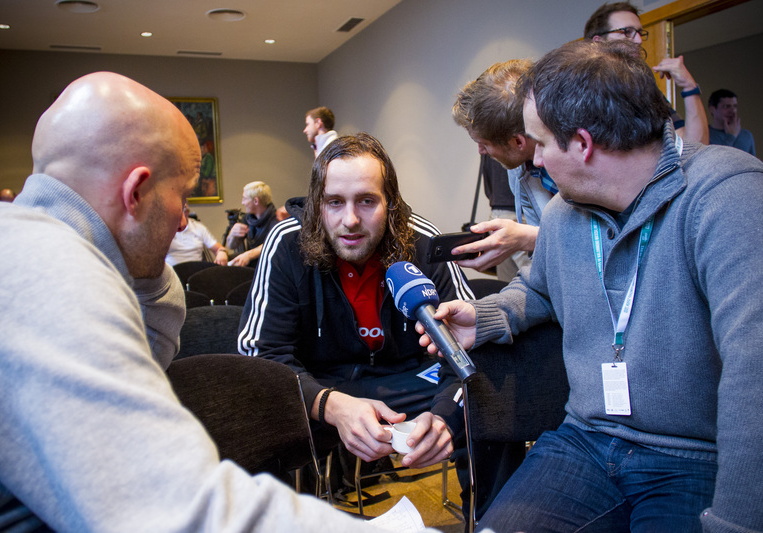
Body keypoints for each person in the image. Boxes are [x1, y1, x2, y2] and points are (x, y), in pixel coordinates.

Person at [0, 71, 405, 532]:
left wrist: (142, 263)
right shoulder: (41, 275)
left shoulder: (25, 246)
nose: (182, 223)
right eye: (183, 196)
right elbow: (179, 509)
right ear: (136, 192)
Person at [420, 40, 763, 533]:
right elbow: (539, 290)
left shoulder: (727, 195)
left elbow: (754, 376)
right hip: (584, 439)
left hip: (692, 456)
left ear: (582, 144)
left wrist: (737, 523)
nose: (536, 160)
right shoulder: (564, 213)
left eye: (540, 144)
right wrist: (489, 315)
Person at [238, 132, 475, 488]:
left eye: (366, 201)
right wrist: (330, 405)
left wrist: (445, 418)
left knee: (488, 399)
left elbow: (470, 346)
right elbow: (259, 355)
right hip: (322, 383)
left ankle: (490, 515)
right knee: (254, 414)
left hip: (408, 380)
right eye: (335, 202)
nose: (350, 219)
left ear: (390, 203)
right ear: (317, 205)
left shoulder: (423, 241)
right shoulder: (286, 242)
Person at [451, 59, 556, 279]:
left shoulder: (574, 167)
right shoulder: (518, 169)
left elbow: (593, 246)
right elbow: (546, 266)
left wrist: (528, 238)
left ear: (518, 142)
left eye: (484, 144)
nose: (481, 151)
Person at [585, 1, 710, 145]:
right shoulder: (578, 93)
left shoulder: (646, 92)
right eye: (627, 32)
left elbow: (695, 146)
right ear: (598, 42)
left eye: (639, 32)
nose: (638, 40)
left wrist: (689, 87)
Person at [226, 180, 279, 267]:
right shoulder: (248, 218)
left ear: (256, 201)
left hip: (267, 266)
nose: (242, 203)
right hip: (253, 264)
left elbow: (273, 243)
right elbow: (232, 246)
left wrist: (249, 255)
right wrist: (232, 234)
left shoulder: (276, 219)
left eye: (244, 198)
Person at [165, 201, 230, 266]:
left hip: (196, 269)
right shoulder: (166, 228)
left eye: (184, 209)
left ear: (187, 212)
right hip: (172, 269)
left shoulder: (198, 227)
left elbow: (219, 248)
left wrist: (222, 252)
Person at [708, 88, 756, 156]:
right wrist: (731, 137)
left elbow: (752, 161)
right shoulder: (705, 135)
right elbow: (716, 159)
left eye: (735, 106)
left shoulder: (747, 135)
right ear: (712, 109)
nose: (732, 111)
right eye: (726, 106)